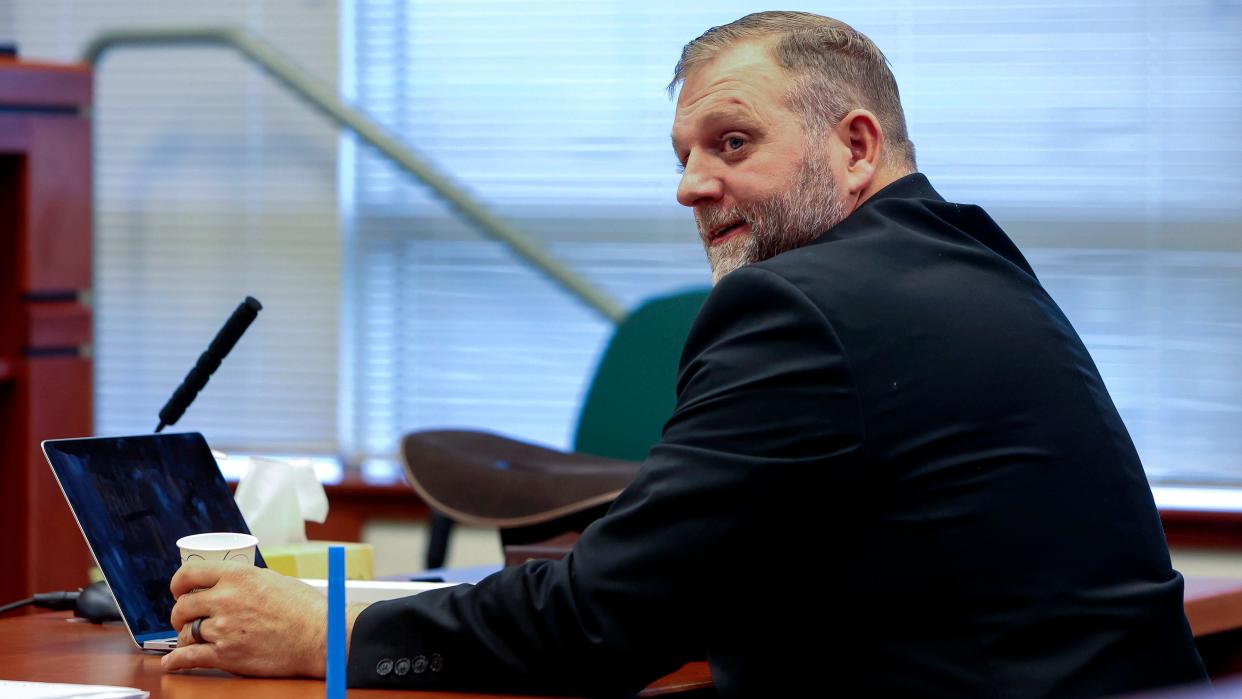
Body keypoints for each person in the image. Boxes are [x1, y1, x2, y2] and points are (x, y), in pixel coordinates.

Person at [162, 11, 1209, 697]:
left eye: (733, 143)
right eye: (682, 156)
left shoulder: (802, 305)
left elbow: (602, 622)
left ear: (855, 147)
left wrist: (328, 638)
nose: (689, 186)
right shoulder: (973, 265)